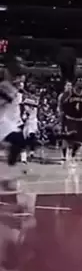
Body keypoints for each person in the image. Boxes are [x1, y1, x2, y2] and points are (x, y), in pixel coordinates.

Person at [0, 57, 28, 191]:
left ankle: (8, 174)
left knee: (19, 140)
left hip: (5, 121)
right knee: (18, 141)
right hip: (3, 121)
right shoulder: (6, 86)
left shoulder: (10, 87)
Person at [62, 79, 82, 166]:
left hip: (80, 119)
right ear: (75, 86)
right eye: (79, 86)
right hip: (70, 118)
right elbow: (62, 104)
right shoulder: (69, 93)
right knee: (68, 137)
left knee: (79, 141)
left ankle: (73, 154)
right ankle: (65, 155)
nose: (80, 88)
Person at [20, 91, 39, 164]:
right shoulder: (32, 108)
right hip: (31, 123)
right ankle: (29, 153)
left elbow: (25, 117)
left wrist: (24, 117)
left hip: (31, 123)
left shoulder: (29, 109)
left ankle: (28, 154)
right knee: (30, 138)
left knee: (29, 138)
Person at [58, 81, 72, 161]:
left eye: (70, 86)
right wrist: (60, 116)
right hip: (64, 117)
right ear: (65, 87)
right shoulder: (61, 96)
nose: (69, 87)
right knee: (64, 136)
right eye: (68, 85)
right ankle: (63, 155)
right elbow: (59, 107)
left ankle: (70, 153)